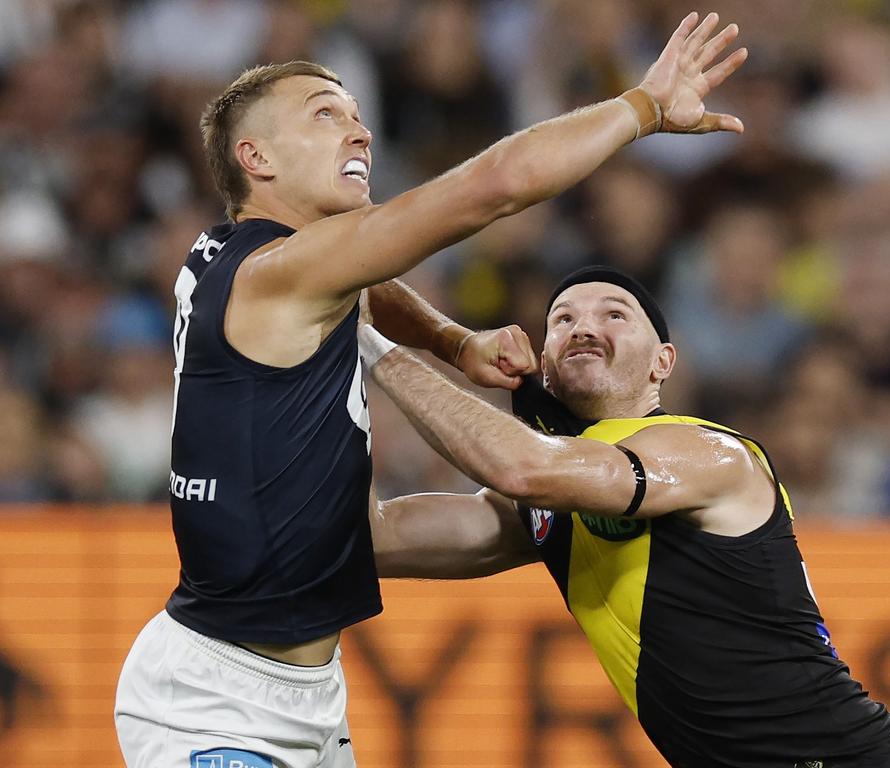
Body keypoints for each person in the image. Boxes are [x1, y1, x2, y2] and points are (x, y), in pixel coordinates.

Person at [113, 11, 750, 768]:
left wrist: (452, 342)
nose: (360, 133)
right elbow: (495, 187)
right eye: (325, 116)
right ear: (256, 156)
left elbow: (362, 286)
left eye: (357, 116)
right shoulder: (283, 273)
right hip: (217, 708)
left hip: (302, 697)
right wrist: (640, 108)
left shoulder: (235, 252)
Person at [359, 265, 890, 768]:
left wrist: (372, 346)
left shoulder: (706, 453)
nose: (585, 326)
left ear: (662, 362)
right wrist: (329, 358)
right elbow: (377, 537)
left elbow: (523, 467)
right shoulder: (545, 506)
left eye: (614, 314)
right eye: (563, 319)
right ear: (543, 362)